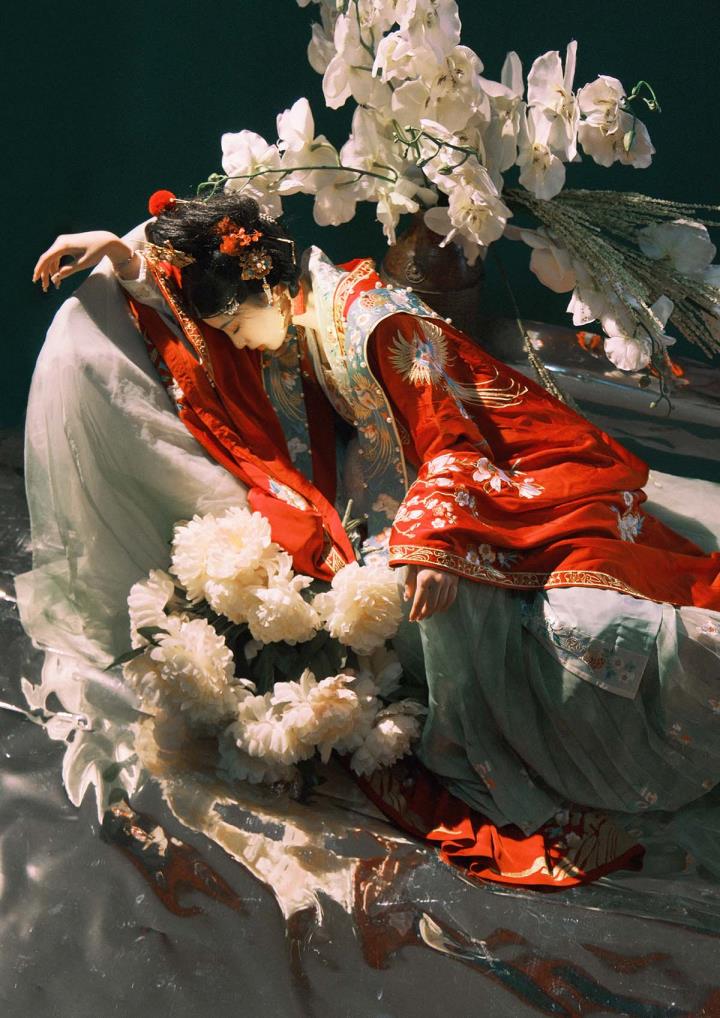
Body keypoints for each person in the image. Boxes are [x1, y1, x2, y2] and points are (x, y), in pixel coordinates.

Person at [27, 189, 720, 885]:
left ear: (266, 284)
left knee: (455, 609)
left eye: (235, 325)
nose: (236, 345)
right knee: (386, 598)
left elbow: (452, 439)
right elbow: (196, 313)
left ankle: (523, 745)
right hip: (409, 483)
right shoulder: (295, 307)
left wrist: (433, 544)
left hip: (496, 472)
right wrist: (124, 258)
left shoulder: (376, 321)